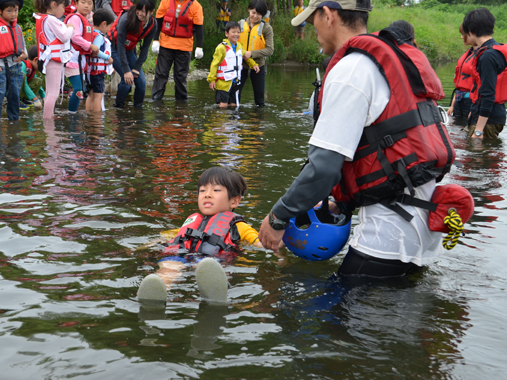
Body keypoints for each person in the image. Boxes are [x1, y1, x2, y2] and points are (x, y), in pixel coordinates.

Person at [258, 0, 455, 278]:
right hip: (419, 233)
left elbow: (323, 169)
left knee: (328, 318)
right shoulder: (388, 60)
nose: (311, 27)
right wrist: (345, 202)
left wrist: (278, 216)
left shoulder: (350, 70)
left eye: (312, 18)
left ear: (328, 15)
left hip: (387, 238)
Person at [136, 166, 262, 304]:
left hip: (215, 258)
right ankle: (156, 293)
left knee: (206, 267)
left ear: (234, 201)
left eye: (216, 190)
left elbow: (259, 241)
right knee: (169, 266)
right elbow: (171, 236)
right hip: (182, 253)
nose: (207, 194)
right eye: (202, 190)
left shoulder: (238, 226)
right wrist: (143, 246)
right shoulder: (193, 222)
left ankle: (215, 293)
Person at [462, 8, 506, 139]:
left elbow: (488, 93)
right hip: (491, 115)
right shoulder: (494, 50)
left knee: (479, 158)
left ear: (471, 31)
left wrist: (479, 130)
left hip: (487, 120)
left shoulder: (488, 56)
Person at [0, 0, 27, 122]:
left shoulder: (16, 26)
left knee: (15, 94)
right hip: (0, 65)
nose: (13, 14)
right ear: (0, 11)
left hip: (16, 65)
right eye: (9, 11)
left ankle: (14, 119)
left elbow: (22, 44)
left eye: (16, 10)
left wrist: (25, 55)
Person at [150, 0, 204, 100]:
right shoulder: (165, 2)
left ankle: (181, 105)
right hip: (166, 45)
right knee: (161, 74)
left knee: (181, 77)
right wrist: (156, 39)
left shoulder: (196, 6)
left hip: (184, 46)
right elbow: (158, 21)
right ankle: (156, 100)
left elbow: (199, 27)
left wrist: (199, 46)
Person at [108, 0, 156, 108]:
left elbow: (145, 49)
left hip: (129, 50)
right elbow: (120, 45)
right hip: (114, 47)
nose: (140, 13)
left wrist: (137, 67)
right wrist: (126, 70)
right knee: (127, 80)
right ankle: (118, 107)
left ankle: (137, 110)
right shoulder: (126, 19)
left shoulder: (152, 24)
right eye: (139, 10)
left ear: (152, 11)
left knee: (141, 83)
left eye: (144, 11)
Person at [34, 0, 75, 119]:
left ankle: (49, 116)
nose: (63, 10)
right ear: (53, 5)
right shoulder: (51, 19)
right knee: (53, 93)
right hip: (53, 61)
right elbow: (64, 36)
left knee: (50, 92)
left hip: (50, 60)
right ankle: (48, 121)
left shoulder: (43, 18)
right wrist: (71, 28)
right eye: (63, 6)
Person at [207, 21, 260, 108]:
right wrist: (211, 79)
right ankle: (219, 121)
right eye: (233, 32)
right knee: (223, 105)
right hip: (223, 83)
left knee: (234, 105)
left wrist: (253, 64)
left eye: (238, 32)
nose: (236, 34)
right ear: (226, 33)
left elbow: (246, 57)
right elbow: (214, 64)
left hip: (236, 81)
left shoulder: (240, 46)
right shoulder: (221, 48)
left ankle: (232, 122)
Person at [64, 0, 100, 113]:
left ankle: (72, 113)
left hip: (81, 60)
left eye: (90, 3)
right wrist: (91, 46)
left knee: (81, 90)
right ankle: (71, 114)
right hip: (72, 59)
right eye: (83, 2)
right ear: (76, 3)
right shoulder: (75, 18)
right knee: (79, 89)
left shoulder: (88, 19)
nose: (86, 6)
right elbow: (75, 37)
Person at [238, 0, 274, 107]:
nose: (255, 16)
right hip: (240, 66)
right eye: (253, 12)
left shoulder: (267, 28)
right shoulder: (239, 25)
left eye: (259, 14)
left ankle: (259, 121)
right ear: (249, 10)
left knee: (260, 101)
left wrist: (251, 53)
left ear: (262, 15)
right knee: (234, 97)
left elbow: (270, 50)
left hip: (258, 66)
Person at [85, 8, 115, 111]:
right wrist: (108, 58)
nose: (109, 29)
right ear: (104, 24)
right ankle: (97, 121)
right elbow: (96, 51)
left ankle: (89, 117)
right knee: (98, 96)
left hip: (89, 71)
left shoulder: (90, 33)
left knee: (91, 95)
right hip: (97, 73)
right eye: (109, 27)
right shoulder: (99, 36)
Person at [447, 23, 477, 120]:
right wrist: (452, 106)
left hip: (471, 102)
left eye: (463, 34)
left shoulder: (482, 56)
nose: (461, 37)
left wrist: (474, 109)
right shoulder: (468, 54)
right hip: (459, 99)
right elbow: (459, 86)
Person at [20, 45, 46, 110]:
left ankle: (23, 99)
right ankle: (16, 100)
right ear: (36, 60)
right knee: (22, 75)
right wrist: (35, 98)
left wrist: (44, 96)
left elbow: (39, 87)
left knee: (38, 80)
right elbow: (24, 84)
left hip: (21, 90)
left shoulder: (32, 69)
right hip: (13, 90)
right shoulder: (23, 65)